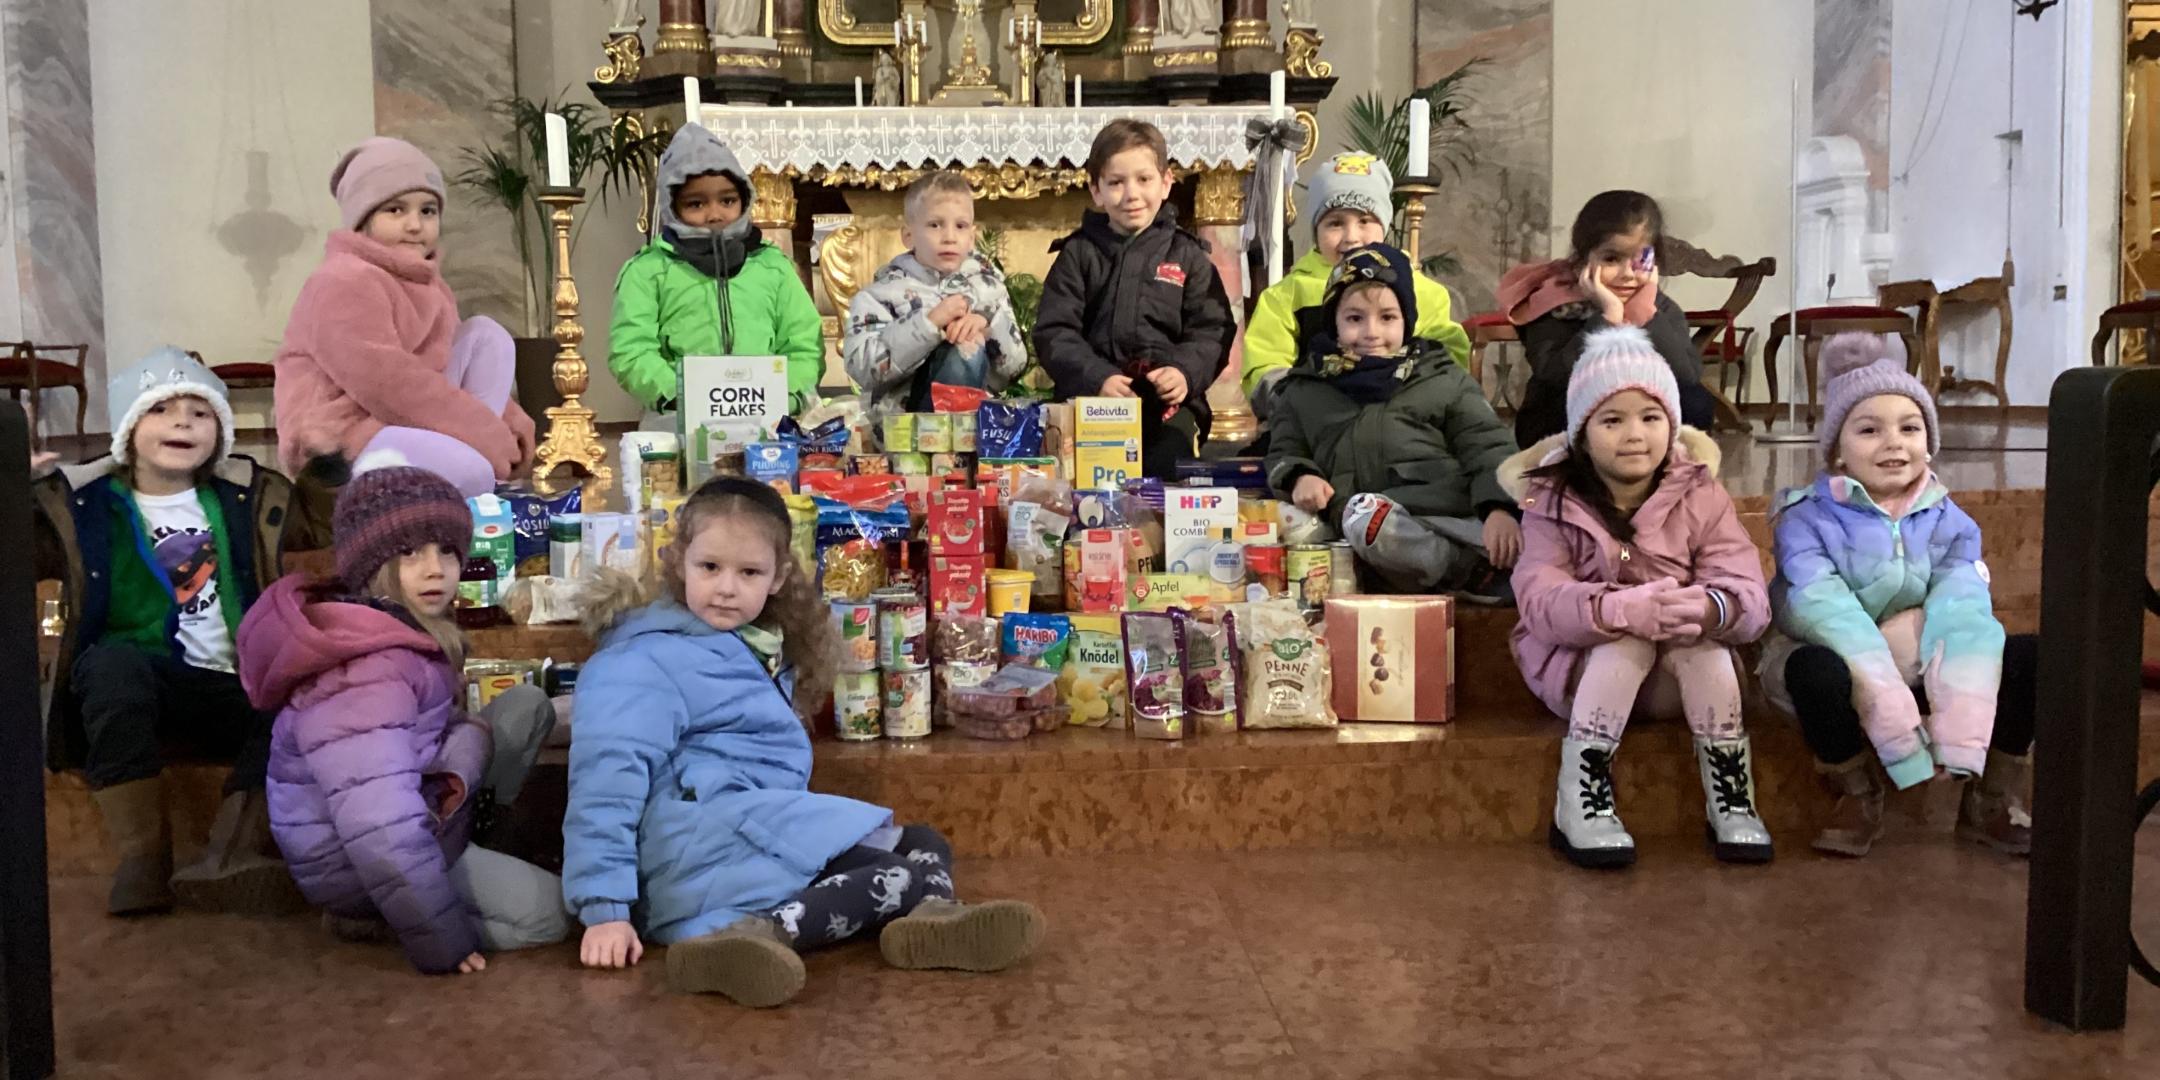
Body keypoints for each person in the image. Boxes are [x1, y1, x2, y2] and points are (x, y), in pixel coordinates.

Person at [564, 477, 1046, 1007]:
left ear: (778, 578)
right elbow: (605, 783)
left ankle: (929, 922)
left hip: (742, 831)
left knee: (925, 841)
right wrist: (604, 909)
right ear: (678, 561)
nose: (726, 587)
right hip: (689, 851)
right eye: (709, 567)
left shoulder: (746, 645)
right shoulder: (642, 660)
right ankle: (752, 937)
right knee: (898, 875)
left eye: (748, 572)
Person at [238, 466, 568, 973]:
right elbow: (379, 827)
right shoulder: (366, 673)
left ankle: (482, 839)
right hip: (358, 864)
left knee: (525, 705)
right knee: (548, 917)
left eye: (446, 550)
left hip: (420, 804)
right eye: (410, 553)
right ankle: (386, 919)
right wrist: (444, 942)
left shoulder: (399, 625)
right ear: (372, 564)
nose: (435, 570)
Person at [31, 349, 323, 916]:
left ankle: (235, 852)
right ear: (128, 428)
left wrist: (327, 468)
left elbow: (323, 525)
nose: (183, 422)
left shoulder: (247, 495)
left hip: (231, 683)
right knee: (112, 666)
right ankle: (143, 860)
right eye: (161, 408)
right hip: (137, 685)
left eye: (200, 412)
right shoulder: (86, 506)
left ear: (220, 432)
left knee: (296, 705)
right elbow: (24, 549)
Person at [1501, 326, 1771, 869]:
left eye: (1650, 418)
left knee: (1705, 647)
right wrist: (1620, 609)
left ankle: (1731, 798)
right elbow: (1539, 598)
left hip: (1675, 681)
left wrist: (1707, 608)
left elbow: (1749, 594)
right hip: (1577, 669)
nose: (1634, 435)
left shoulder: (1701, 494)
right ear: (1581, 432)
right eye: (1612, 419)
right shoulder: (1551, 499)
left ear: (1672, 426)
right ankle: (1581, 798)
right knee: (1628, 642)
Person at [1758, 333, 2033, 858]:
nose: (1893, 443)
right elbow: (1824, 608)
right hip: (1839, 657)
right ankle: (1857, 791)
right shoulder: (1804, 518)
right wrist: (1894, 714)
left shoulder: (1950, 520)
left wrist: (1957, 734)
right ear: (1837, 451)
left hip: (1913, 655)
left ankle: (1989, 797)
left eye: (1909, 428)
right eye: (1868, 430)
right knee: (1814, 671)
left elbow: (1963, 610)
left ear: (1928, 443)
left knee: (2027, 656)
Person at [275, 136, 535, 497]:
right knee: (473, 473)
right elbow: (387, 382)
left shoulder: (426, 279)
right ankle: (467, 492)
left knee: (487, 336)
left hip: (396, 418)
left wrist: (509, 419)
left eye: (427, 211)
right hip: (341, 438)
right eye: (396, 210)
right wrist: (487, 433)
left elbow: (440, 365)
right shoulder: (343, 278)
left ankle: (473, 472)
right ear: (363, 219)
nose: (415, 225)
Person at [1264, 243, 1518, 599]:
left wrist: (1499, 508)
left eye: (1387, 317)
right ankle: (1447, 572)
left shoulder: (1441, 377)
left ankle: (1466, 568)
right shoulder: (1306, 387)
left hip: (1440, 521)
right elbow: (1283, 450)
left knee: (1372, 522)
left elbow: (1488, 447)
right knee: (1281, 523)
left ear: (1407, 320)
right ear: (1333, 322)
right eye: (1355, 318)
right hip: (1351, 524)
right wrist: (1299, 475)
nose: (1371, 332)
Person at [1035, 118, 1236, 479]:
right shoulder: (1079, 253)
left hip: (1166, 404)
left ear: (1166, 183)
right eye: (1116, 182)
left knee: (1170, 468)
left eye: (1144, 180)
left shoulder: (1187, 256)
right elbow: (1054, 331)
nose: (1131, 194)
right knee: (1075, 475)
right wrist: (1097, 377)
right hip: (1091, 399)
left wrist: (1183, 372)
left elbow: (1212, 329)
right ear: (1095, 190)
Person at [609, 124, 826, 419]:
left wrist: (784, 396)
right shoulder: (649, 270)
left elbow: (803, 343)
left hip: (769, 416)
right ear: (673, 205)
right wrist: (681, 396)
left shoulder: (772, 266)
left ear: (744, 199)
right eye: (696, 203)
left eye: (727, 201)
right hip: (680, 415)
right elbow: (632, 351)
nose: (714, 214)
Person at [1241, 152, 1470, 419]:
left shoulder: (1424, 292)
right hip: (1314, 422)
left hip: (1404, 418)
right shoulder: (1286, 296)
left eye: (1364, 221)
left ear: (1384, 226)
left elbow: (1448, 358)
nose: (1352, 237)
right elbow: (1264, 365)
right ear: (1316, 230)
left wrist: (1418, 399)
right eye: (1335, 223)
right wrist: (1298, 403)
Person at [1496, 189, 1715, 447]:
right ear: (1582, 261)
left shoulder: (1657, 306)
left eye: (1640, 260)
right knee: (1553, 413)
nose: (1627, 274)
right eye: (1611, 259)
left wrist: (1643, 314)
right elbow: (1556, 375)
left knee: (1696, 401)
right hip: (1565, 423)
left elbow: (1687, 374)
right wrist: (1608, 317)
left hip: (1640, 426)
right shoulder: (1554, 302)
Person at [843, 170, 1029, 436]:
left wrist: (988, 327)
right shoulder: (881, 295)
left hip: (975, 432)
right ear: (908, 235)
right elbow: (862, 367)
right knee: (961, 349)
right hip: (906, 433)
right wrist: (928, 324)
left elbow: (1015, 368)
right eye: (935, 225)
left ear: (972, 237)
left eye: (960, 226)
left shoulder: (990, 290)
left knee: (968, 346)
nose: (949, 237)